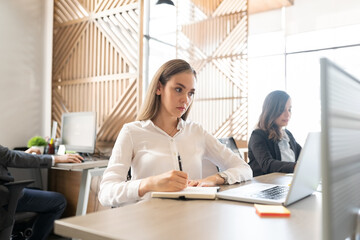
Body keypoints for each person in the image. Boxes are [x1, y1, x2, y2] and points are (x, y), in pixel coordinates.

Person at [98, 59, 252, 207]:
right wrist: (149, 183)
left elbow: (244, 169)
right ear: (159, 88)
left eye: (191, 93)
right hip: (148, 223)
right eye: (178, 90)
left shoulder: (197, 132)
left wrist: (216, 178)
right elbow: (106, 193)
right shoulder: (132, 132)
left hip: (192, 219)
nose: (186, 100)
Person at [0, 145, 83, 240]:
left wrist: (24, 154)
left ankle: (21, 234)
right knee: (59, 201)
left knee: (38, 191)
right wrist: (56, 158)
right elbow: (11, 157)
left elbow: (8, 156)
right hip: (5, 198)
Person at [248, 90, 302, 177]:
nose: (287, 114)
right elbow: (267, 164)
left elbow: (302, 155)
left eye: (289, 109)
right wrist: (295, 166)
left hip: (286, 182)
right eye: (282, 109)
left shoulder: (287, 135)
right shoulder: (258, 135)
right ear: (271, 111)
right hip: (265, 185)